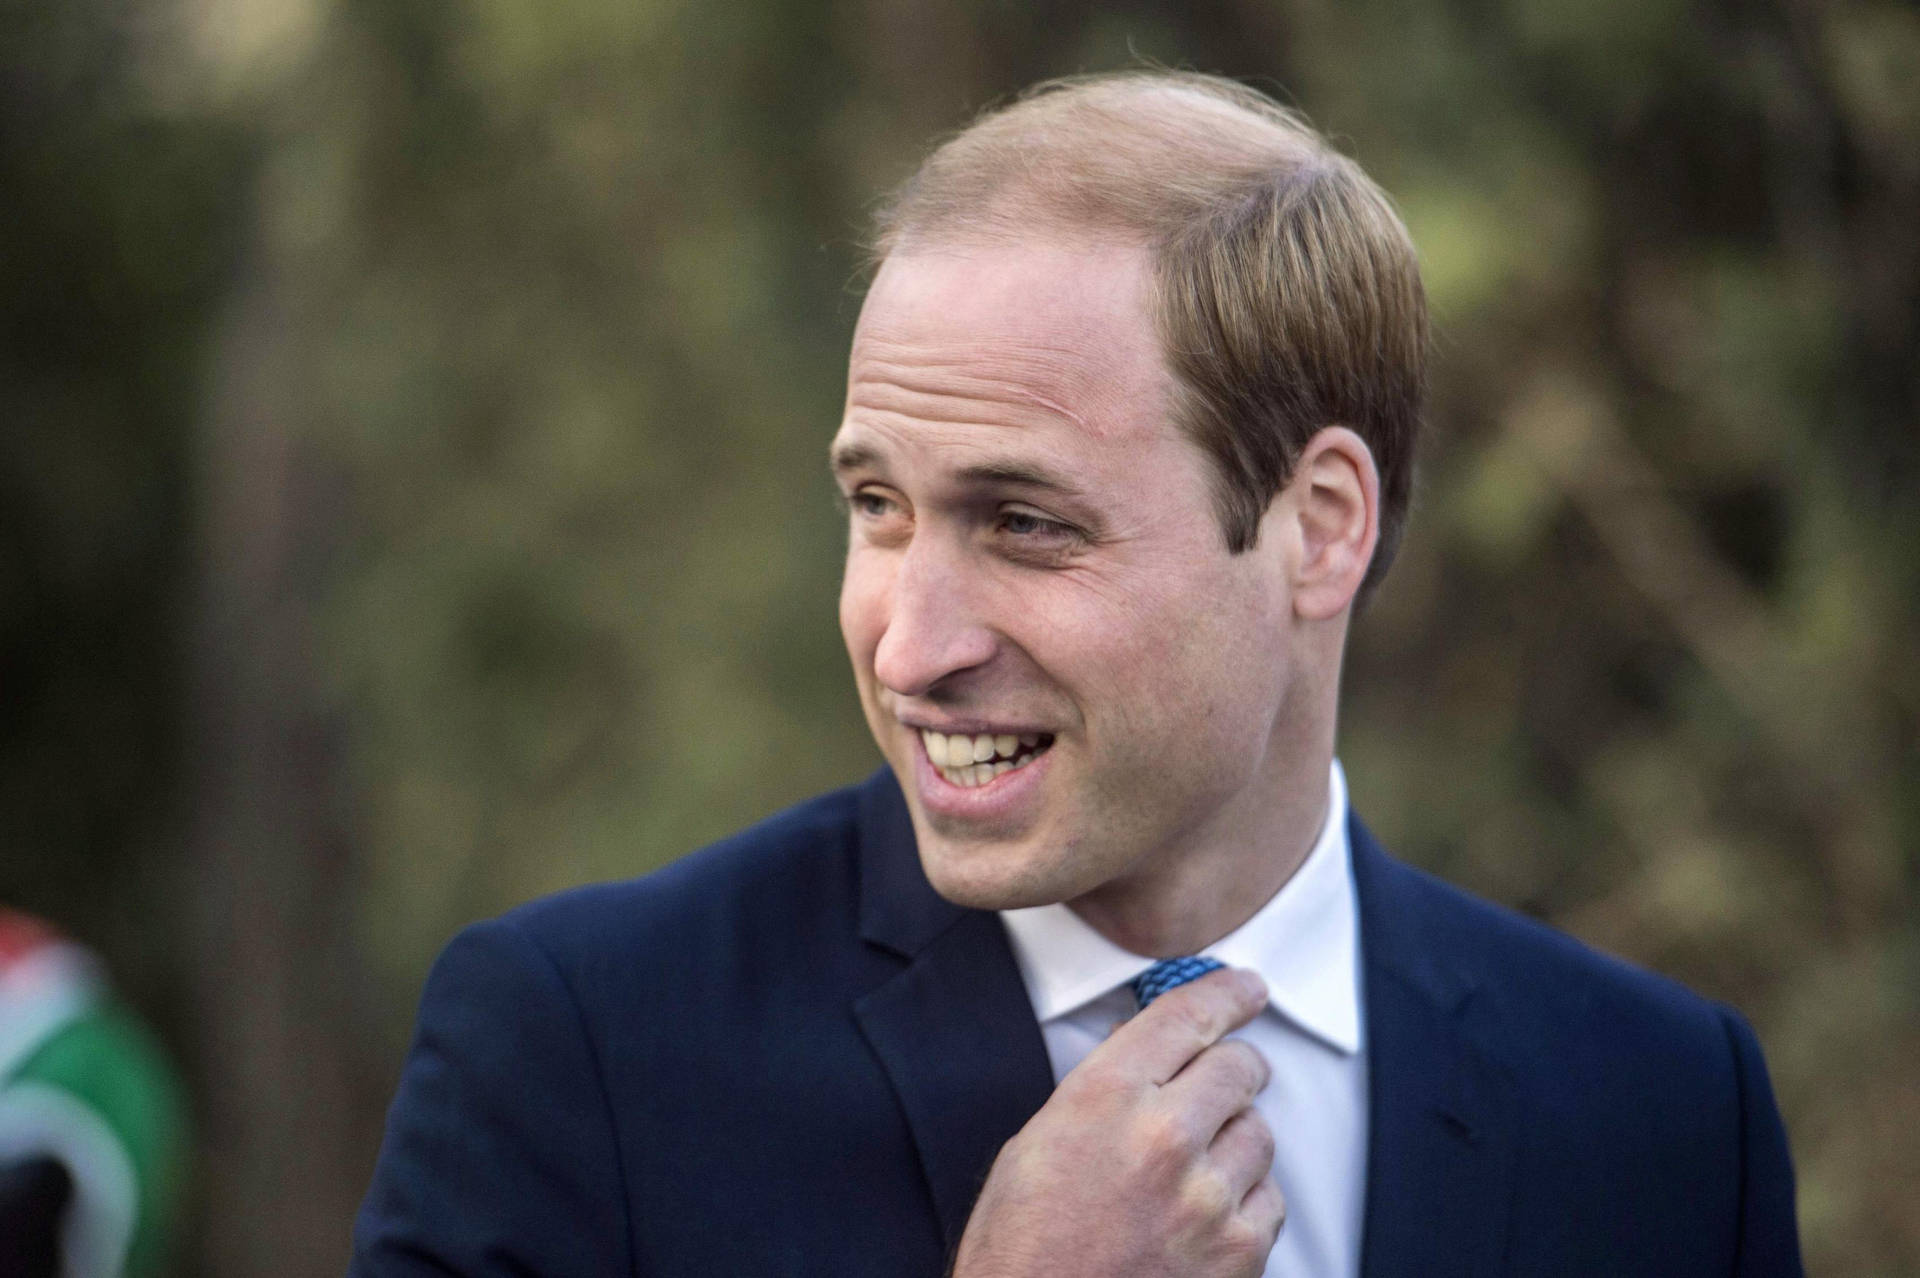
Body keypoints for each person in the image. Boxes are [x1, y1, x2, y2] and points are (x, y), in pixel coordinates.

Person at [349, 71, 1802, 1278]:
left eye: (1026, 523)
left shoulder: (1667, 1113)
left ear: (1320, 528)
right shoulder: (577, 1059)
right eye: (879, 506)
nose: (912, 646)